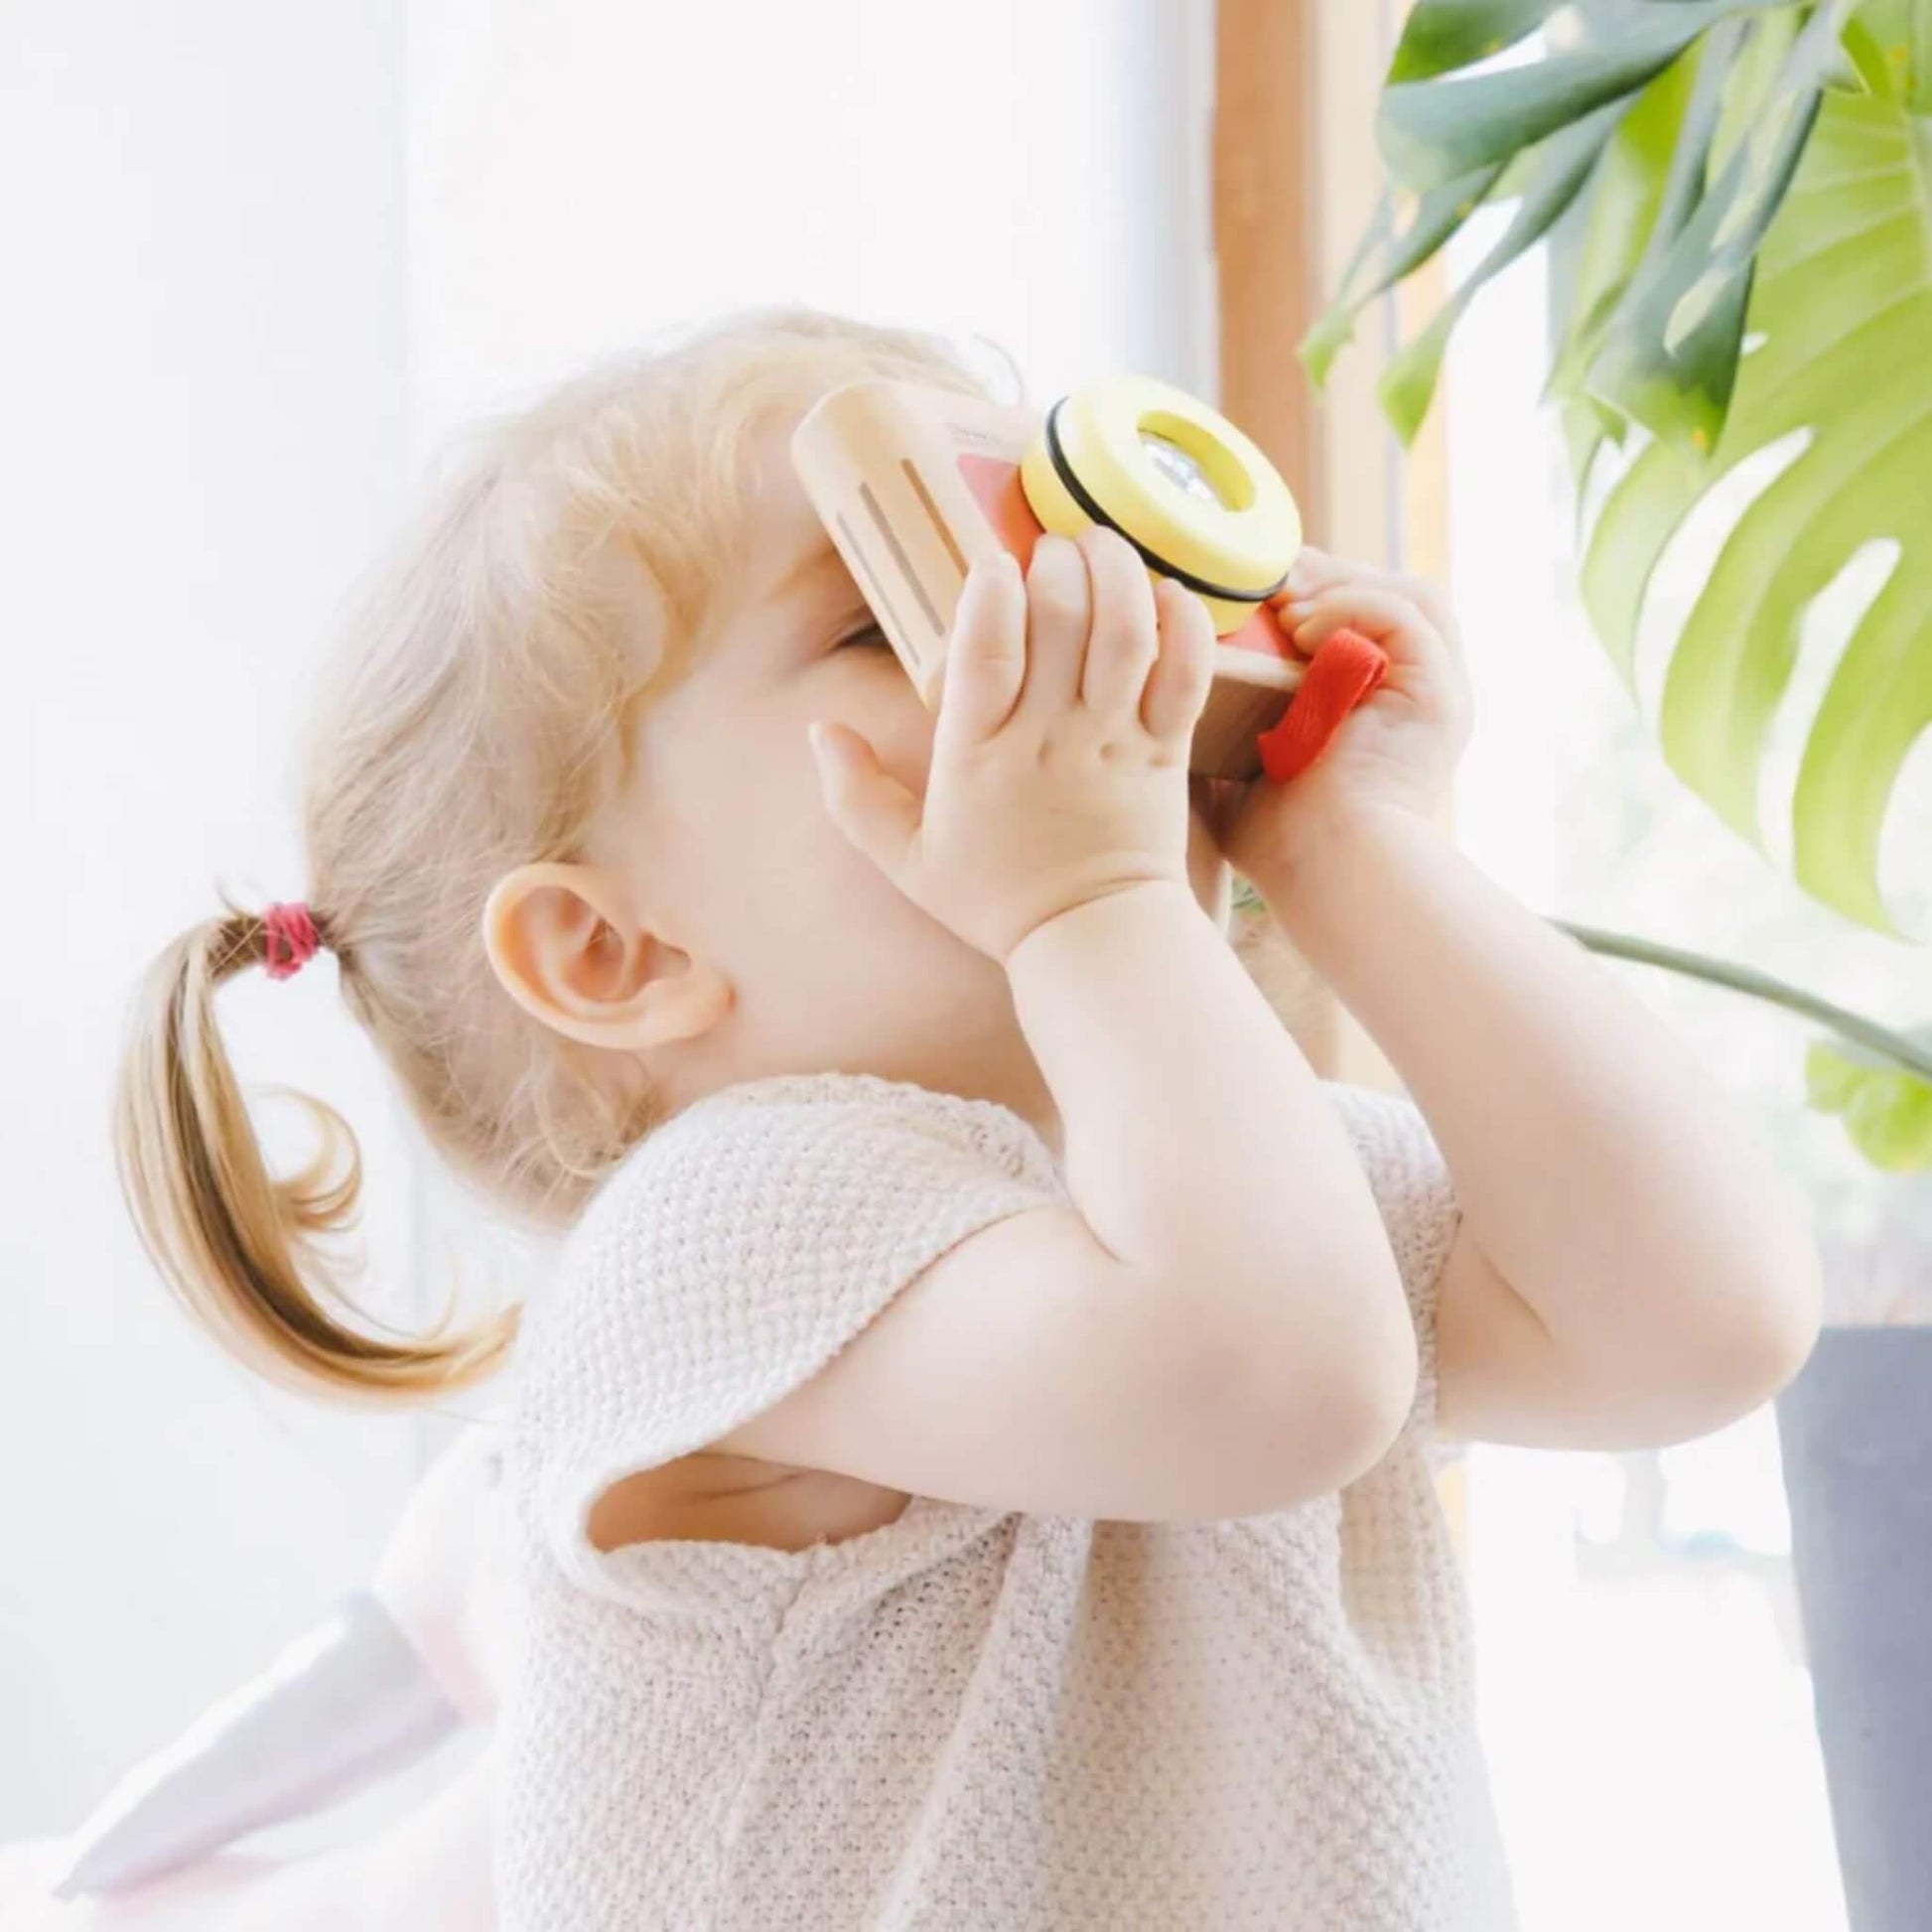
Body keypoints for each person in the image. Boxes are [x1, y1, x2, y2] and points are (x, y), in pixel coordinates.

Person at [111, 306, 1825, 1930]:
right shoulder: (722, 1230)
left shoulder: (1216, 1196)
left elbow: (1696, 1322)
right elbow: (1272, 1379)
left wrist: (1357, 851)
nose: (1085, 640)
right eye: (887, 611)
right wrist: (1092, 898)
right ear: (615, 950)